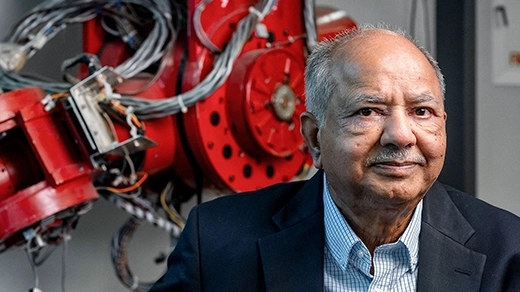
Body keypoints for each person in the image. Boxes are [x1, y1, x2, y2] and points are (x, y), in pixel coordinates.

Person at [149, 24, 520, 292]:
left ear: (442, 125)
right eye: (368, 111)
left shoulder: (507, 250)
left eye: (422, 111)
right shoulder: (216, 243)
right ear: (314, 137)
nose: (401, 135)